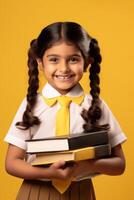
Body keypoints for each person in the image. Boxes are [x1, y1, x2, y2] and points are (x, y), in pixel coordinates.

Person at [4, 22, 127, 200]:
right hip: (36, 192)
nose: (64, 69)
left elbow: (119, 164)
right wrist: (50, 174)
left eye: (73, 59)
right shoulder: (30, 105)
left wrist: (89, 165)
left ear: (87, 62)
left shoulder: (96, 106)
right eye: (54, 59)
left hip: (81, 193)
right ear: (40, 62)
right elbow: (11, 163)